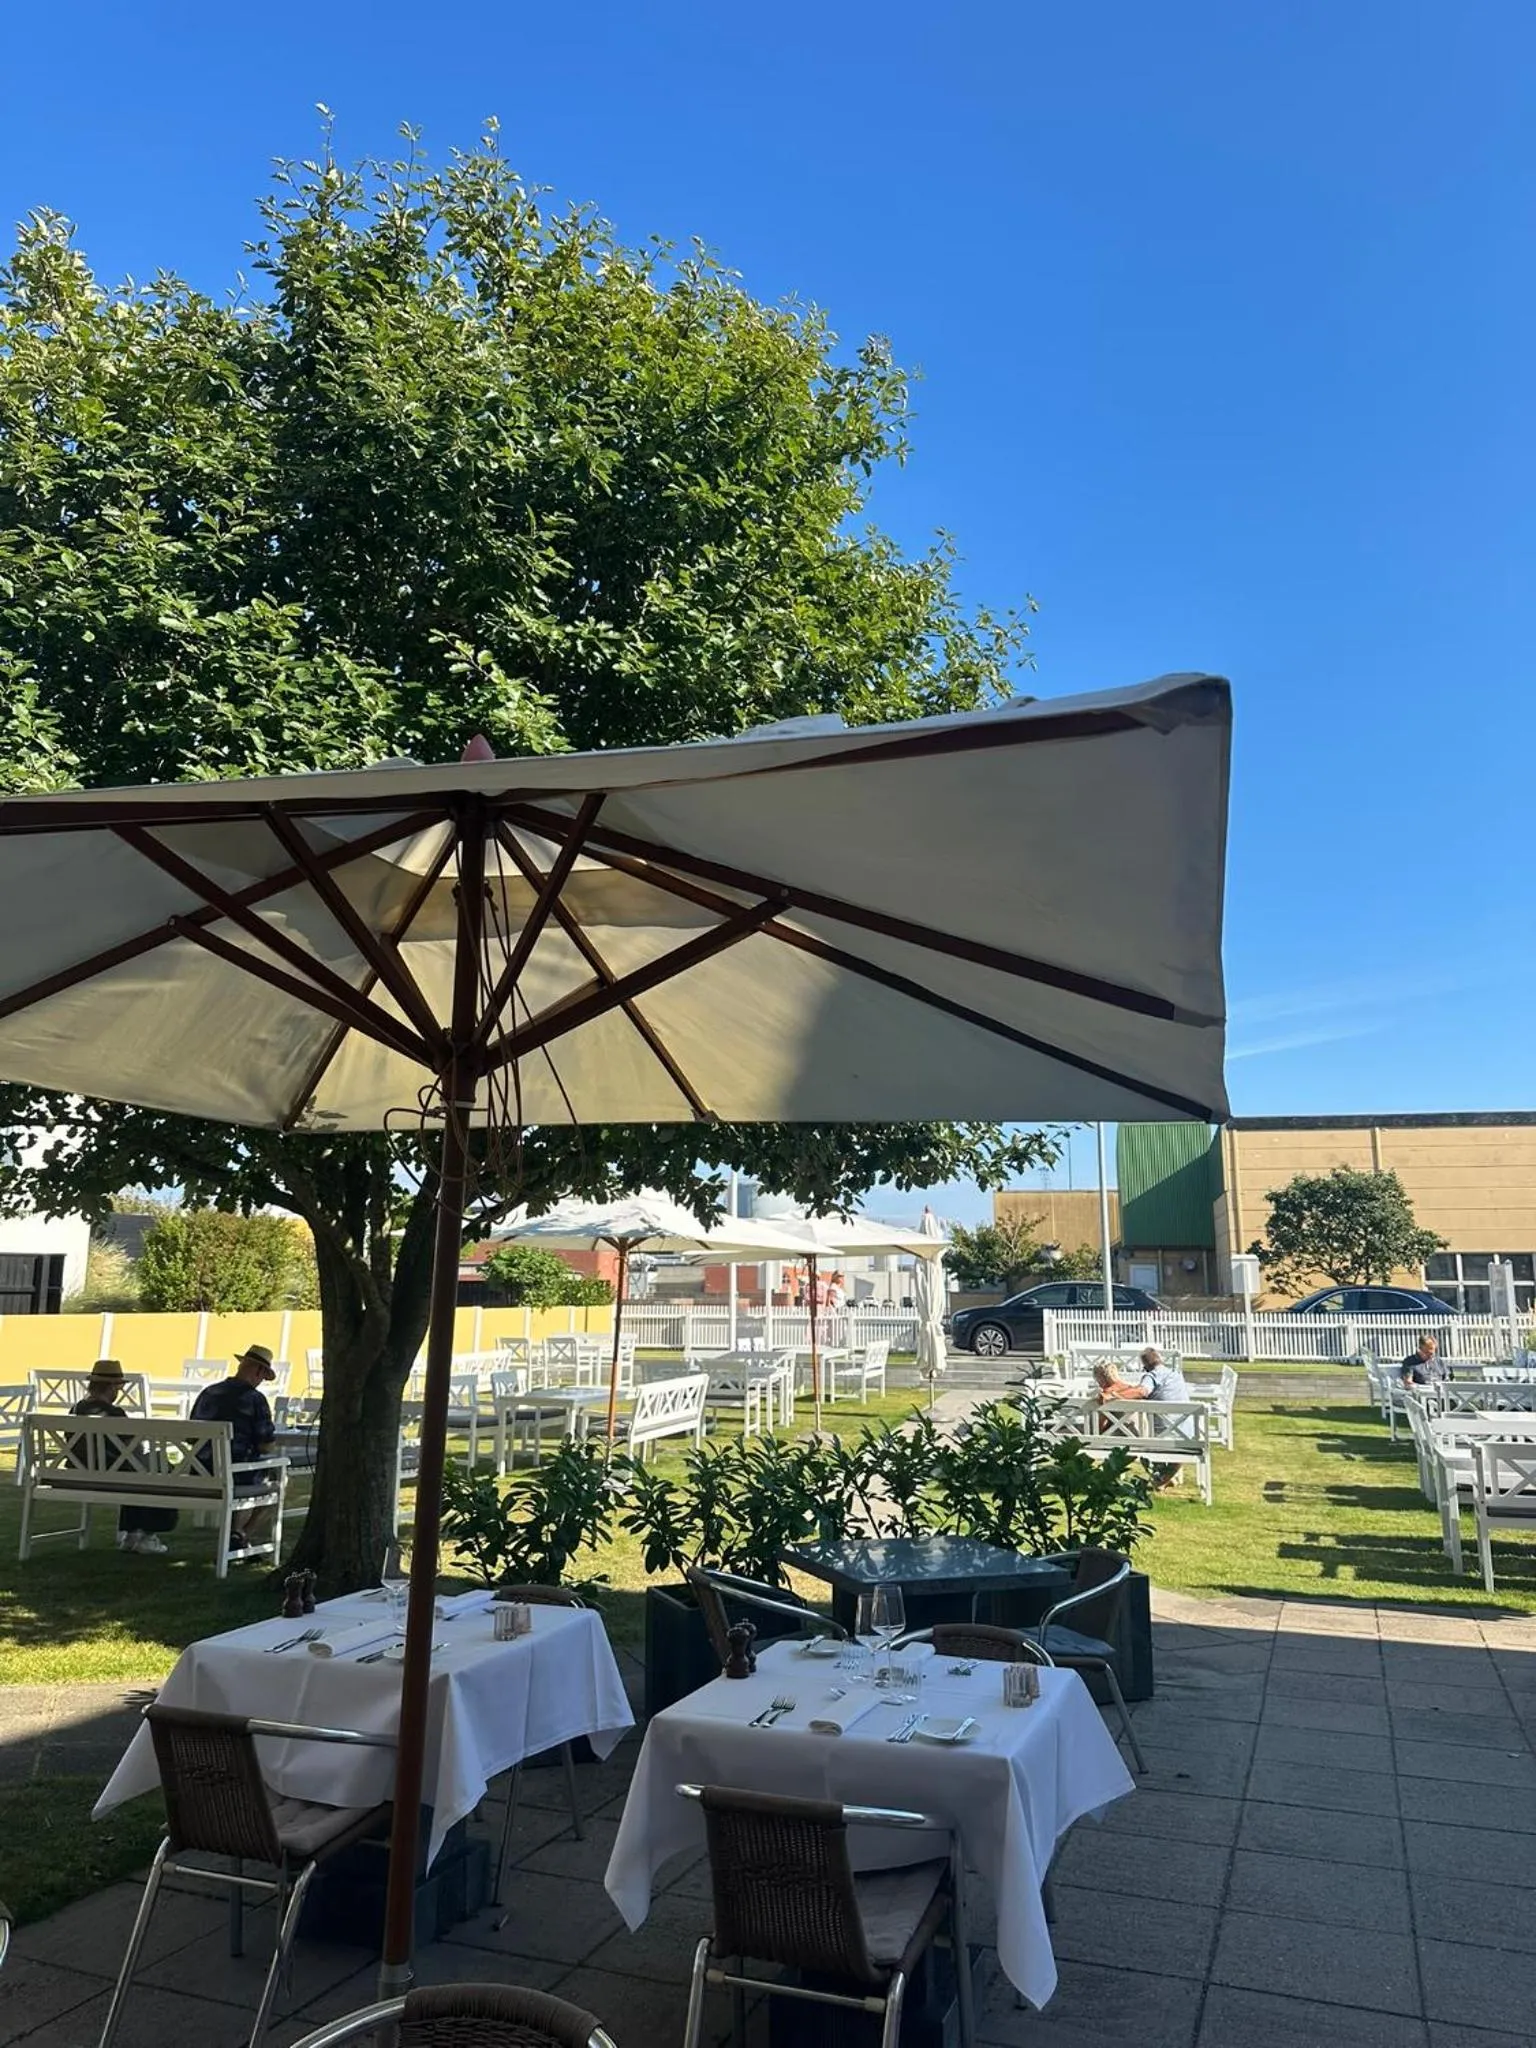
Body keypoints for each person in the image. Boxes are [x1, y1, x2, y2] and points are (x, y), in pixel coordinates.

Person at [70, 1359, 178, 1555]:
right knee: (157, 1470)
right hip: (110, 1474)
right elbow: (133, 1447)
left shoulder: (76, 1410)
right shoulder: (114, 1414)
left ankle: (131, 1534)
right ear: (112, 1387)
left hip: (79, 1473)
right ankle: (147, 1535)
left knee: (137, 1472)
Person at [189, 1343, 278, 1553]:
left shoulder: (208, 1393)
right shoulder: (255, 1399)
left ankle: (237, 1535)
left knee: (244, 1469)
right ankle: (241, 1534)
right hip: (235, 1475)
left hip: (202, 1471)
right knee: (276, 1479)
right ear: (259, 1372)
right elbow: (265, 1446)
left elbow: (192, 1436)